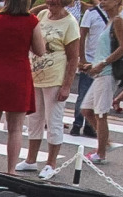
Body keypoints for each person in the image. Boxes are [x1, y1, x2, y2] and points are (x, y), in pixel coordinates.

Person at [0, 0, 45, 171]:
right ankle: (11, 170)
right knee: (15, 129)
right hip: (20, 74)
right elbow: (40, 50)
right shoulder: (32, 21)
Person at [17, 0, 78, 179]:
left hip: (55, 78)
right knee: (34, 119)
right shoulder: (43, 15)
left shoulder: (70, 23)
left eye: (55, 2)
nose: (51, 3)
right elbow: (27, 14)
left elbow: (73, 57)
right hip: (35, 76)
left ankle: (51, 162)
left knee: (53, 121)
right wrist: (45, 7)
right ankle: (31, 159)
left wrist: (67, 85)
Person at [78, 0, 123, 163]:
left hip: (107, 73)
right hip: (100, 71)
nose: (104, 2)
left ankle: (101, 153)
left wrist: (102, 64)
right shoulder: (110, 21)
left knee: (101, 113)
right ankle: (105, 143)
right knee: (86, 110)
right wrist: (91, 65)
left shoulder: (118, 21)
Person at [70, 0, 106, 135]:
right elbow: (82, 35)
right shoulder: (91, 13)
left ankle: (90, 126)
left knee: (98, 96)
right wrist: (82, 58)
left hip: (105, 62)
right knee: (83, 93)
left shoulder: (121, 15)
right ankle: (77, 123)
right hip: (91, 58)